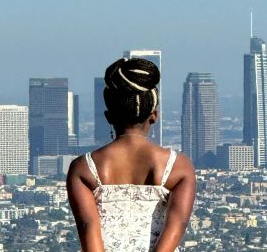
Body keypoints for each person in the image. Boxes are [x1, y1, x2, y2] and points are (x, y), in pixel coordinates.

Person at [67, 58, 196, 251]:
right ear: (154, 115)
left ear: (109, 117)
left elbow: (88, 228)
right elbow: (177, 225)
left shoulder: (83, 168)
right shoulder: (179, 167)